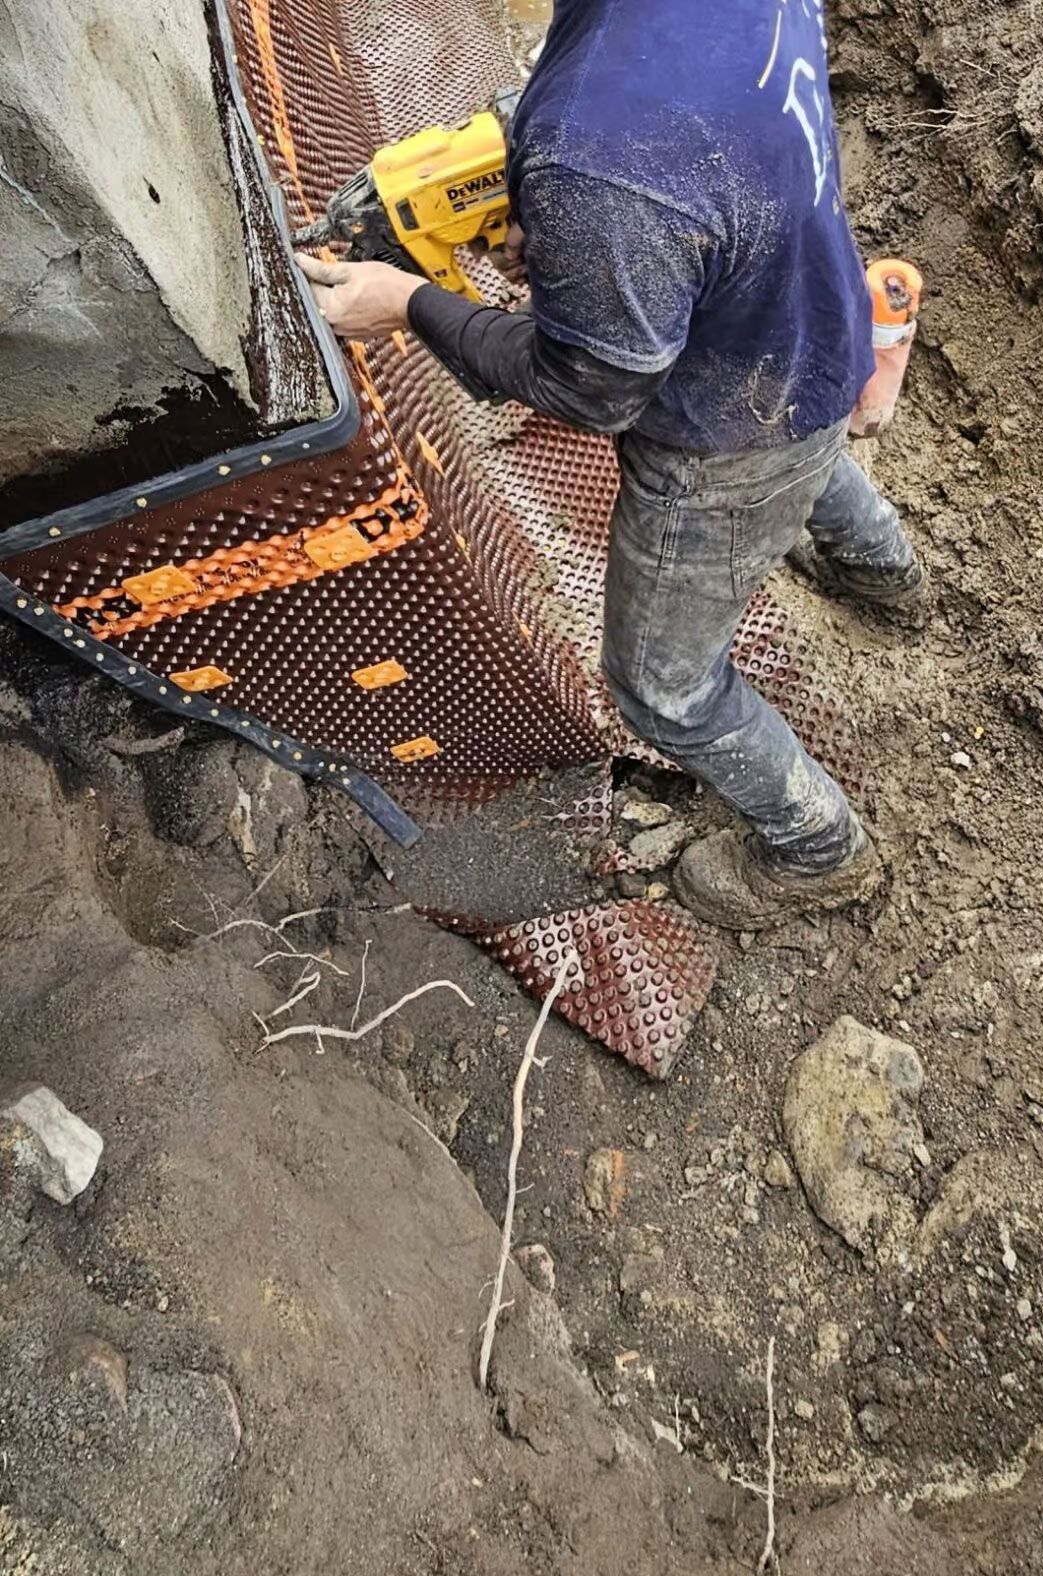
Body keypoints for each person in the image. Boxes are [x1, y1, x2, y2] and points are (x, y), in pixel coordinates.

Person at [297, 0, 924, 931]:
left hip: (718, 441)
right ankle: (887, 576)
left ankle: (816, 851)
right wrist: (576, 223)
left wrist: (410, 302)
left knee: (662, 688)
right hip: (802, 319)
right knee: (804, 434)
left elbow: (594, 393)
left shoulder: (598, 157)